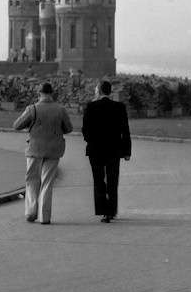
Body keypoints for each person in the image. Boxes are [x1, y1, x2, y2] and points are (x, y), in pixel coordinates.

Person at [13, 82, 73, 224]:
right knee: (47, 183)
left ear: (39, 93)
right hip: (53, 150)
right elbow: (69, 128)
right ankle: (45, 216)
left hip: (34, 149)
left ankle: (31, 211)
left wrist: (31, 126)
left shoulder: (32, 109)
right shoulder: (60, 110)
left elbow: (17, 125)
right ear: (52, 93)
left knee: (32, 180)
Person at [82, 80, 132, 223]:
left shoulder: (91, 107)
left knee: (98, 179)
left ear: (98, 91)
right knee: (112, 180)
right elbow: (125, 130)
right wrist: (127, 151)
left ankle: (103, 210)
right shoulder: (119, 107)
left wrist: (91, 142)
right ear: (110, 91)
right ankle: (112, 211)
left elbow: (85, 130)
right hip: (114, 149)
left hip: (95, 149)